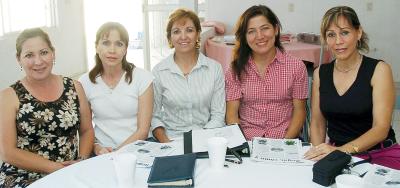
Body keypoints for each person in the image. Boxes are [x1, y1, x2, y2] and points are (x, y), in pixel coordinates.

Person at [304, 6, 399, 169]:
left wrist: (341, 151)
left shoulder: (379, 70)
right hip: (335, 152)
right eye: (331, 35)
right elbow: (318, 123)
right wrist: (317, 153)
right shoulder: (321, 73)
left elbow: (381, 128)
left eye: (345, 32)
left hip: (378, 154)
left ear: (358, 33)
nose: (338, 41)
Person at [0, 28, 94, 187]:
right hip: (23, 176)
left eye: (43, 52)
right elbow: (7, 152)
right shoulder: (8, 96)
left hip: (70, 169)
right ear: (19, 59)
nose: (38, 61)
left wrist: (81, 162)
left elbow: (87, 131)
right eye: (29, 55)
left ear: (53, 53)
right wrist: (54, 167)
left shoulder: (74, 87)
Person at [225, 5, 308, 140]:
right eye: (251, 31)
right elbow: (231, 115)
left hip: (285, 139)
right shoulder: (235, 70)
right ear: (244, 37)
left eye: (265, 28)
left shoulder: (296, 67)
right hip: (248, 140)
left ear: (275, 29)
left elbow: (300, 111)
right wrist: (242, 144)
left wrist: (284, 144)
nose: (260, 36)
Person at [151, 8, 225, 142]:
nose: (183, 36)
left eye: (189, 30)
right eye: (176, 31)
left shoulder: (215, 68)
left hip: (207, 138)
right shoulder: (158, 72)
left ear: (198, 34)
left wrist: (201, 141)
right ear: (170, 37)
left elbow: (218, 116)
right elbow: (154, 116)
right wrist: (167, 143)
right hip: (171, 140)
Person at [79, 22, 153, 155]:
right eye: (106, 43)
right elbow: (85, 130)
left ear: (125, 49)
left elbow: (143, 130)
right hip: (101, 151)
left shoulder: (143, 78)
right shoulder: (84, 82)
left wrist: (116, 154)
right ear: (96, 47)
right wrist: (97, 148)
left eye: (119, 44)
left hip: (137, 148)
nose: (112, 50)